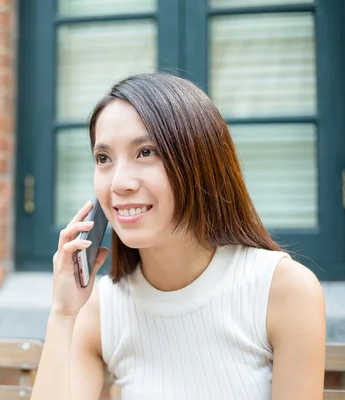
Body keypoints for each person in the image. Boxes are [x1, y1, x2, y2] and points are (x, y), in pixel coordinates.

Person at [30, 73, 326, 400]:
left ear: (199, 161)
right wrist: (64, 313)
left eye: (146, 152)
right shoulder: (100, 309)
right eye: (104, 159)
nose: (118, 183)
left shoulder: (282, 290)